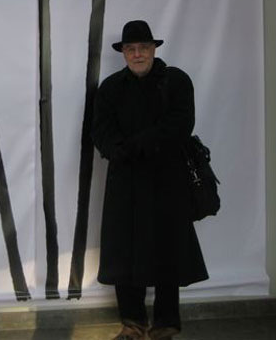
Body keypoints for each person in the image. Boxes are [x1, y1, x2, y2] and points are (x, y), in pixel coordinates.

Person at [91, 20, 208, 340]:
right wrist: (118, 150)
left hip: (167, 180)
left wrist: (134, 146)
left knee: (168, 250)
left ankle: (166, 324)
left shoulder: (176, 81)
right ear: (124, 52)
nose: (137, 53)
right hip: (124, 181)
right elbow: (99, 128)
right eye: (131, 48)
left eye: (143, 47)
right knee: (123, 253)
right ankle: (132, 324)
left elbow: (180, 124)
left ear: (154, 49)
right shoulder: (111, 87)